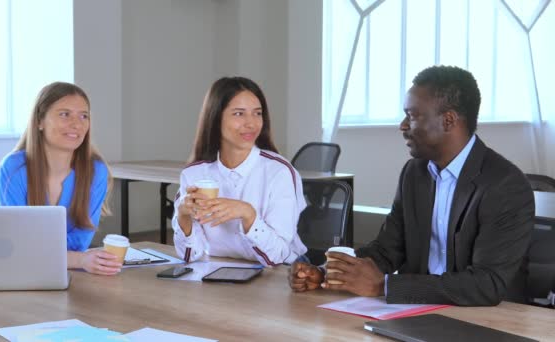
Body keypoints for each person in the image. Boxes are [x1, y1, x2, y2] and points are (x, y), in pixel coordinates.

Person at [289, 65, 535, 306]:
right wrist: (329, 274)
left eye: (412, 115)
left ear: (448, 120)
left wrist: (384, 286)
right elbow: (387, 251)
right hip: (416, 310)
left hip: (489, 322)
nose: (403, 126)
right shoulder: (415, 173)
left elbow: (486, 284)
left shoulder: (505, 185)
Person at [172, 76, 307, 266]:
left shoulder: (280, 172)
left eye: (257, 113)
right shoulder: (194, 175)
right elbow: (190, 255)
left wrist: (248, 214)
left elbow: (279, 255)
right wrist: (183, 217)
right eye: (239, 114)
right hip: (223, 269)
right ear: (216, 118)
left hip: (282, 273)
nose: (251, 123)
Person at [0, 82, 122, 276]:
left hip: (67, 274)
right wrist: (78, 259)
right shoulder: (14, 168)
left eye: (84, 116)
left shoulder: (96, 170)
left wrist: (46, 250)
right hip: (19, 272)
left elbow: (80, 241)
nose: (77, 124)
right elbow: (19, 242)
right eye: (65, 114)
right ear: (39, 121)